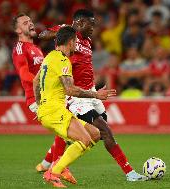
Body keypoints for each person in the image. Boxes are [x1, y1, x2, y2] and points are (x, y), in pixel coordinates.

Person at [38, 9, 147, 182]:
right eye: (91, 24)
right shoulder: (67, 36)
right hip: (78, 97)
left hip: (91, 92)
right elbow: (42, 35)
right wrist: (62, 30)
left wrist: (95, 90)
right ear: (80, 23)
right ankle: (130, 173)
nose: (93, 29)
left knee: (93, 135)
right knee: (104, 131)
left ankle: (53, 164)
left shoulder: (87, 41)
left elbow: (85, 67)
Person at [35, 25, 116, 187]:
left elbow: (35, 81)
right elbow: (70, 89)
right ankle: (54, 172)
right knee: (84, 140)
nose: (76, 45)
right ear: (71, 42)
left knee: (95, 133)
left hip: (49, 110)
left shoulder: (50, 57)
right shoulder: (63, 61)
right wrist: (95, 94)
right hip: (54, 111)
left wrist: (39, 106)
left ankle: (58, 168)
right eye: (75, 42)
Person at [11, 13, 79, 185]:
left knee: (65, 127)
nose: (30, 24)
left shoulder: (37, 49)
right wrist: (41, 83)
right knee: (67, 126)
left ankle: (46, 164)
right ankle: (56, 167)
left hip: (48, 94)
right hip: (37, 97)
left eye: (31, 21)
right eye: (25, 23)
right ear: (18, 30)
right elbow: (24, 73)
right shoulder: (20, 48)